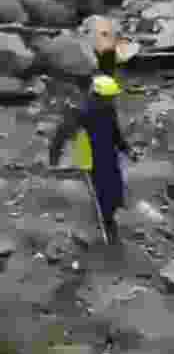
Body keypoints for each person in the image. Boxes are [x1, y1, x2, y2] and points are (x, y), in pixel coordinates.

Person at [49, 75, 135, 243]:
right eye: (109, 97)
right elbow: (61, 134)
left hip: (108, 155)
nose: (112, 100)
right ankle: (104, 229)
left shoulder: (109, 110)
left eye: (112, 97)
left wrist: (126, 150)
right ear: (98, 96)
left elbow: (115, 133)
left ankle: (109, 217)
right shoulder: (81, 113)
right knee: (100, 195)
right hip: (90, 159)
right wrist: (54, 158)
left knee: (115, 190)